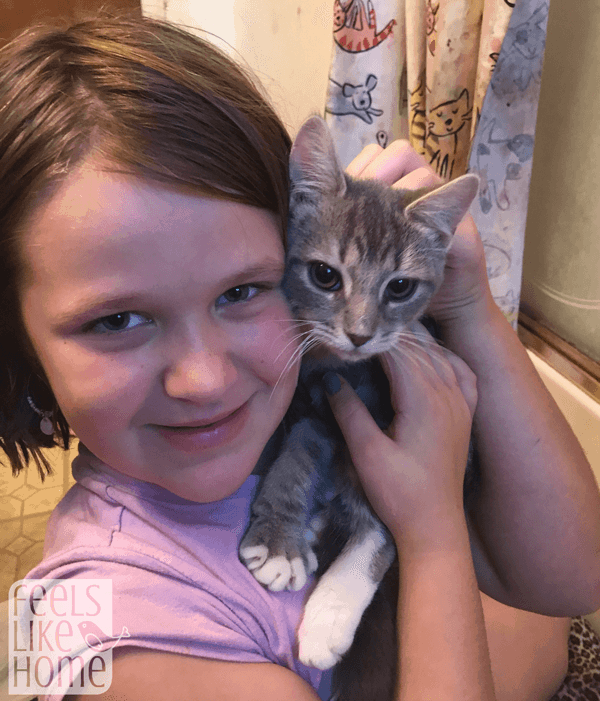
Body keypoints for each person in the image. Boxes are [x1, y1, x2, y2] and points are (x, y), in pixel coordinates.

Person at [1, 10, 599, 701]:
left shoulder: (293, 406)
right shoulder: (112, 631)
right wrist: (433, 531)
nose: (205, 378)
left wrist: (470, 312)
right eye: (118, 320)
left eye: (242, 290)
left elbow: (573, 582)